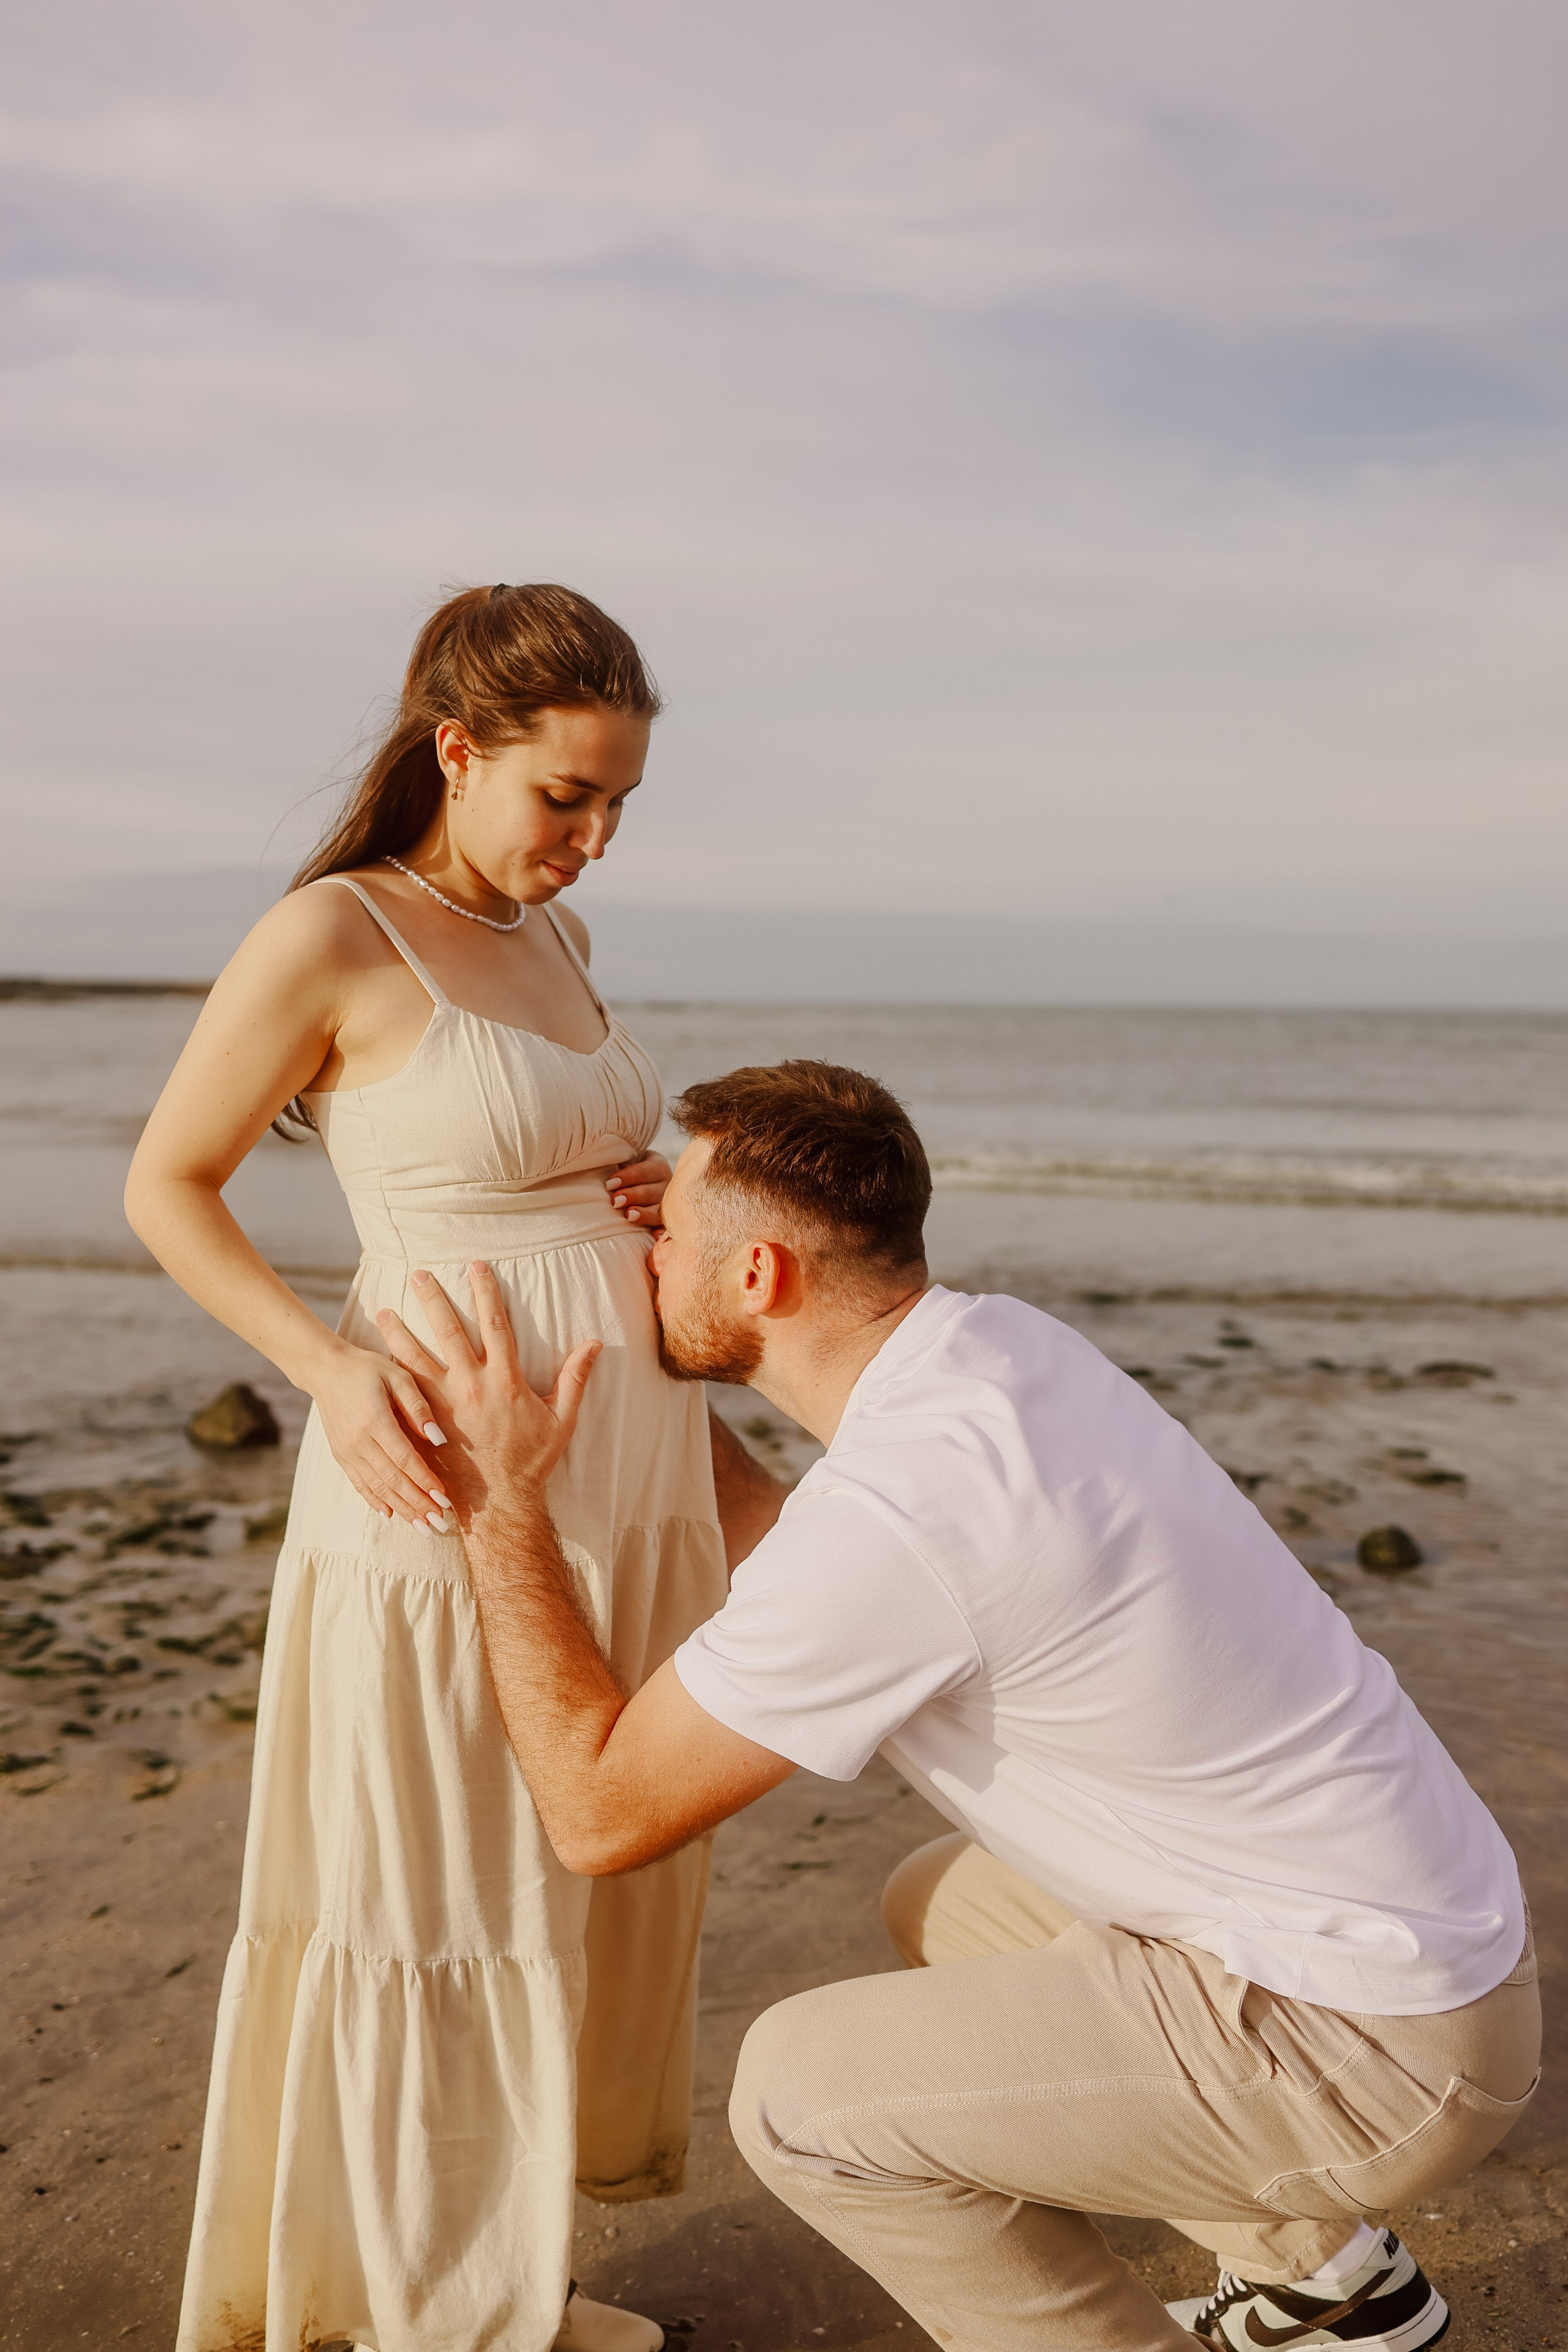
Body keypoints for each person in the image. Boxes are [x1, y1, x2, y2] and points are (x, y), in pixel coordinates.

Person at [376, 1058, 1541, 2352]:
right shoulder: (996, 1352)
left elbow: (597, 1813)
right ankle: (1333, 2284)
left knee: (797, 2098)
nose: (643, 1253)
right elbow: (808, 1546)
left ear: (758, 1278)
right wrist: (679, 1372)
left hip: (1375, 2061)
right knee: (943, 1896)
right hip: (1428, 1963)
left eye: (667, 1233)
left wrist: (498, 1498)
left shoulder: (902, 1517)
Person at [124, 586, 783, 2352]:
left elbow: (559, 1175)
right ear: (457, 749)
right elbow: (167, 1185)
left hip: (626, 1482)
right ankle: (431, 2309)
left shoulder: (555, 944)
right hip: (446, 1475)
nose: (594, 837)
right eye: (565, 795)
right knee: (434, 1882)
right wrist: (326, 1368)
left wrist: (657, 1197)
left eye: (621, 804)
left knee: (575, 1875)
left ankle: (500, 2273)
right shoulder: (337, 936)